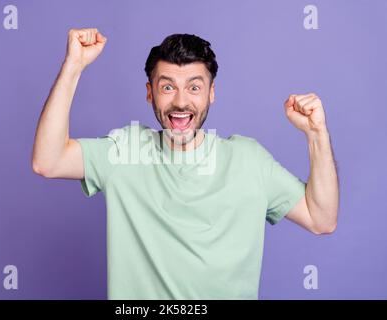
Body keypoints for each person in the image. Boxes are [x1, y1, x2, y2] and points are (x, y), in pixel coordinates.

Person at [31, 28, 339, 299]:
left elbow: (321, 219)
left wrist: (316, 135)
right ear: (150, 93)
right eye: (167, 87)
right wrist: (73, 66)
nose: (180, 102)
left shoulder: (248, 159)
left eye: (194, 87)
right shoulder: (125, 150)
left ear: (211, 93)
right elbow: (48, 160)